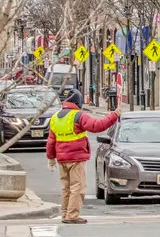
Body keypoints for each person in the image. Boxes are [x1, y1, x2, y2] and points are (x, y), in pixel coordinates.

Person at [46, 89, 121, 225]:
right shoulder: (78, 116)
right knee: (78, 187)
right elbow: (98, 126)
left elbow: (51, 140)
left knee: (66, 188)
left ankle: (65, 213)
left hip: (61, 159)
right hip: (76, 158)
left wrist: (51, 158)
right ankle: (72, 215)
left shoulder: (55, 117)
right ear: (78, 103)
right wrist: (114, 115)